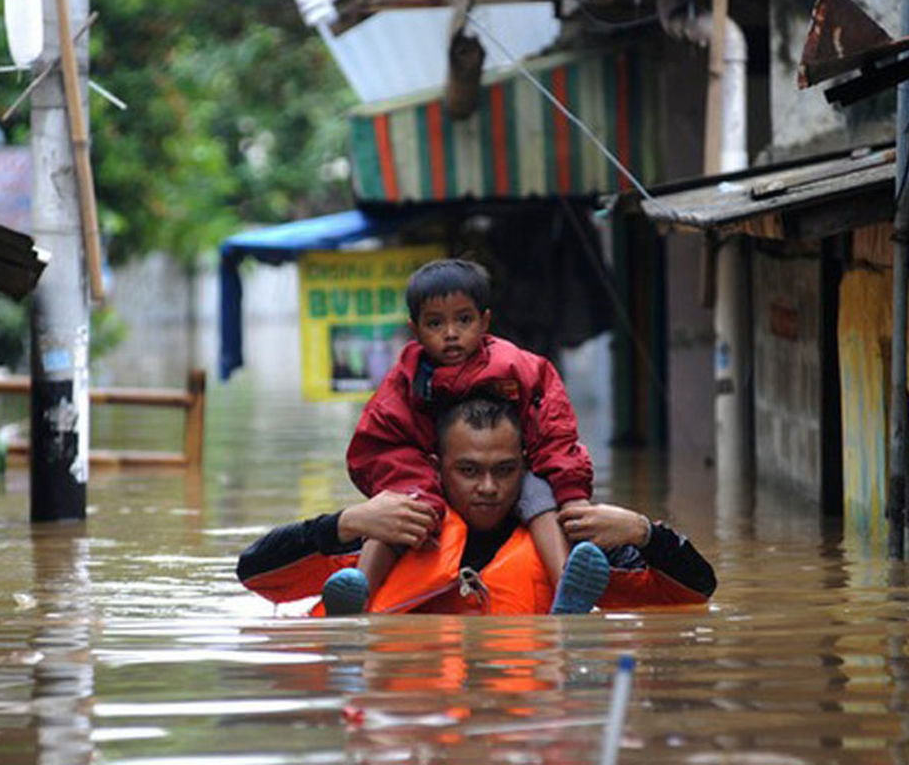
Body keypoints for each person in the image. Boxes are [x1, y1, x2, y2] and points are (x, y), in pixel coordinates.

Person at [236, 398, 716, 615]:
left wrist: (642, 532)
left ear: (526, 467)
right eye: (468, 471)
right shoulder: (390, 533)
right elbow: (256, 574)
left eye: (504, 471)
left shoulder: (570, 554)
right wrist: (339, 523)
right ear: (436, 468)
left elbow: (698, 592)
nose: (488, 487)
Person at [329, 258, 600, 615]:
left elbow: (555, 429)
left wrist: (574, 495)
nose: (451, 333)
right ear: (416, 330)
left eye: (464, 320)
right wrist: (406, 483)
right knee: (398, 510)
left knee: (540, 494)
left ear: (484, 322)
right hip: (427, 474)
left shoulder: (516, 367)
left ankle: (568, 586)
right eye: (435, 323)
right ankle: (359, 590)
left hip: (511, 471)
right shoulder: (405, 383)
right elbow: (377, 443)